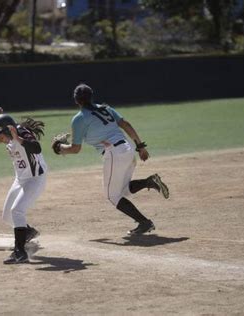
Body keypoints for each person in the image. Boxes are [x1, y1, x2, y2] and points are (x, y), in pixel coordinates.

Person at [55, 83, 169, 235]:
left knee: (113, 196)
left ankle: (144, 222)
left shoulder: (79, 119)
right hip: (127, 149)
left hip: (114, 153)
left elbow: (75, 149)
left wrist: (59, 148)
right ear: (91, 96)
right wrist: (140, 146)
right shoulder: (106, 108)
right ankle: (149, 182)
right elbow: (125, 124)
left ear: (76, 100)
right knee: (124, 190)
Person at [0, 107, 47, 264]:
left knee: (17, 211)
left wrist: (17, 138)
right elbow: (8, 126)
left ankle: (20, 252)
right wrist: (0, 119)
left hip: (35, 178)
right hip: (20, 179)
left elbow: (36, 147)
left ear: (7, 131)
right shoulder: (9, 133)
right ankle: (27, 232)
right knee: (8, 216)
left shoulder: (21, 133)